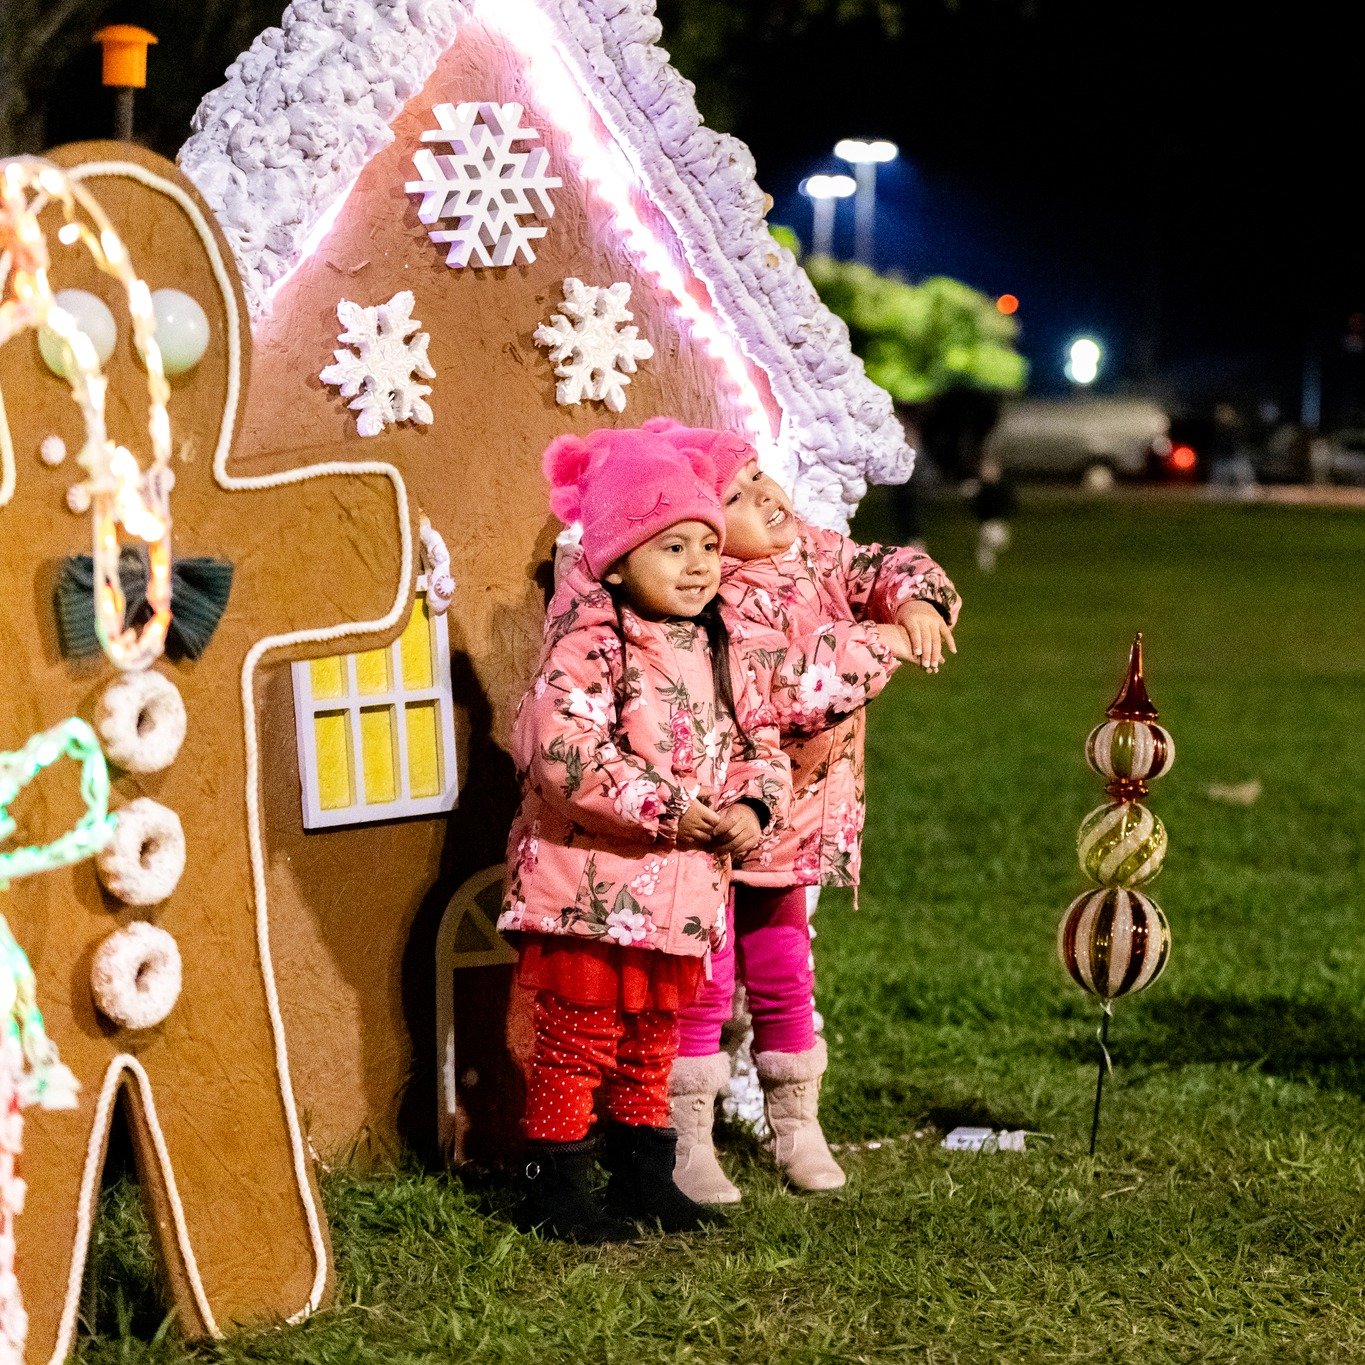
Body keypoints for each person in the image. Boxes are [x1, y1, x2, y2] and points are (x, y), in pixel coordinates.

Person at [644, 418, 960, 1204]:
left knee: (785, 965)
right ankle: (687, 1133)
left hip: (805, 812)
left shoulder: (812, 552)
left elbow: (883, 562)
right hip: (726, 812)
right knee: (706, 976)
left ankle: (797, 1124)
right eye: (736, 499)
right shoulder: (716, 600)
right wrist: (880, 642)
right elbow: (793, 683)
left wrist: (915, 601)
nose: (764, 499)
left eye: (759, 479)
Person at [500, 426, 792, 1242]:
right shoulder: (593, 641)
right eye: (673, 547)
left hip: (679, 895)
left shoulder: (720, 645)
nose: (699, 563)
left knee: (650, 1043)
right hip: (591, 887)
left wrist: (750, 808)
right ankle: (552, 1184)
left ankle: (641, 1175)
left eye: (707, 542)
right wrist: (665, 807)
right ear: (619, 559)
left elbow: (757, 745)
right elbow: (563, 748)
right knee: (579, 1038)